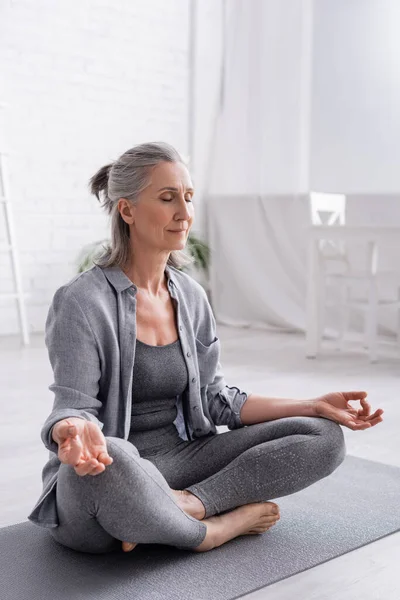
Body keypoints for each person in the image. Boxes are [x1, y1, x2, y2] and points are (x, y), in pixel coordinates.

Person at [27, 142, 384, 555]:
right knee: (116, 456)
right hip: (111, 472)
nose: (184, 212)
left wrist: (314, 405)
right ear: (127, 211)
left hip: (182, 460)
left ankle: (188, 506)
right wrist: (72, 430)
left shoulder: (191, 296)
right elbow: (72, 406)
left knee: (323, 436)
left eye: (189, 197)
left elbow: (217, 401)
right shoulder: (82, 301)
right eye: (167, 198)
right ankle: (215, 530)